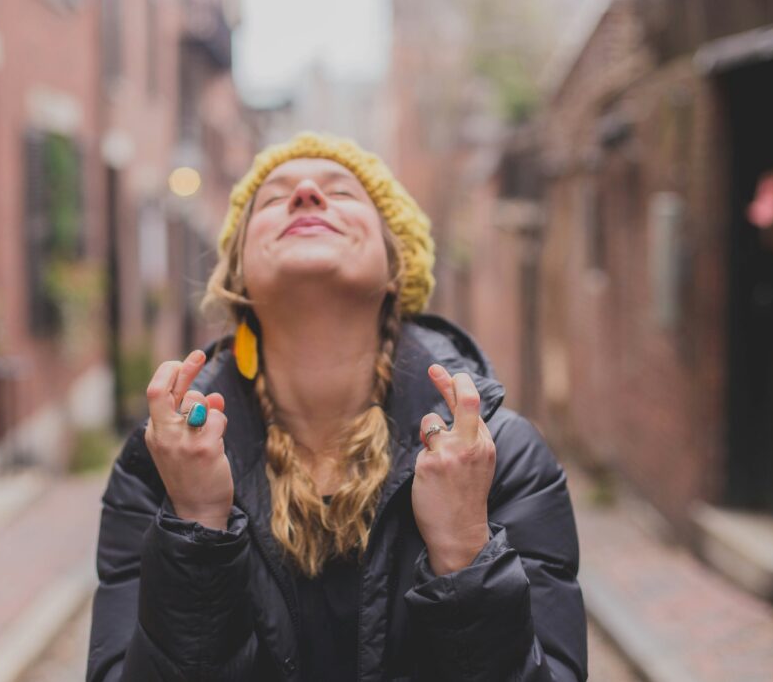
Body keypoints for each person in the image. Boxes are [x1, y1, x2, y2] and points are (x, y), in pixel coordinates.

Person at [86, 132, 587, 681]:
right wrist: (196, 527)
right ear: (237, 279)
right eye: (273, 199)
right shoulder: (158, 466)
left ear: (398, 267)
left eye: (342, 193)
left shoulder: (500, 458)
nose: (304, 192)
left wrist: (466, 550)